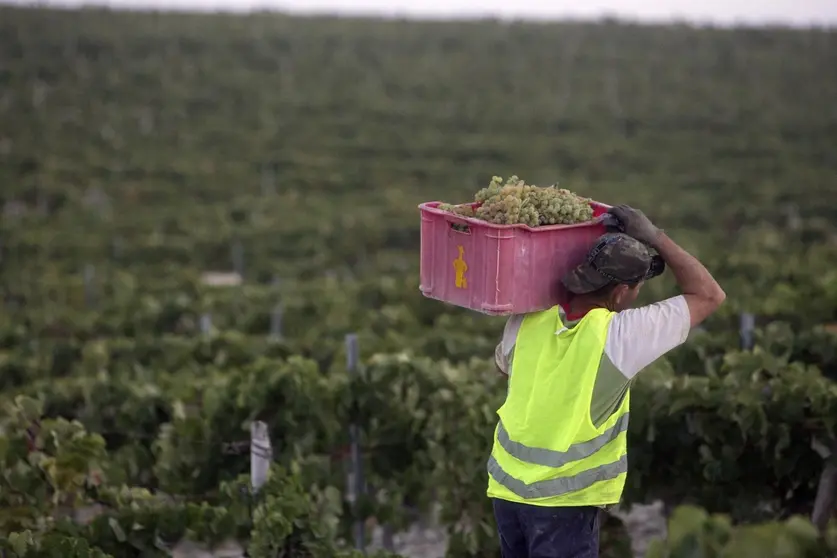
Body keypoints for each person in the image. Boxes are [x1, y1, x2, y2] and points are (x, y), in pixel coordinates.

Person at [487, 205, 726, 558]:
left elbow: (503, 367)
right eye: (637, 287)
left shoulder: (530, 318)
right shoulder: (620, 336)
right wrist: (655, 236)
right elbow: (709, 295)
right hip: (563, 502)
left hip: (507, 492)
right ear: (620, 292)